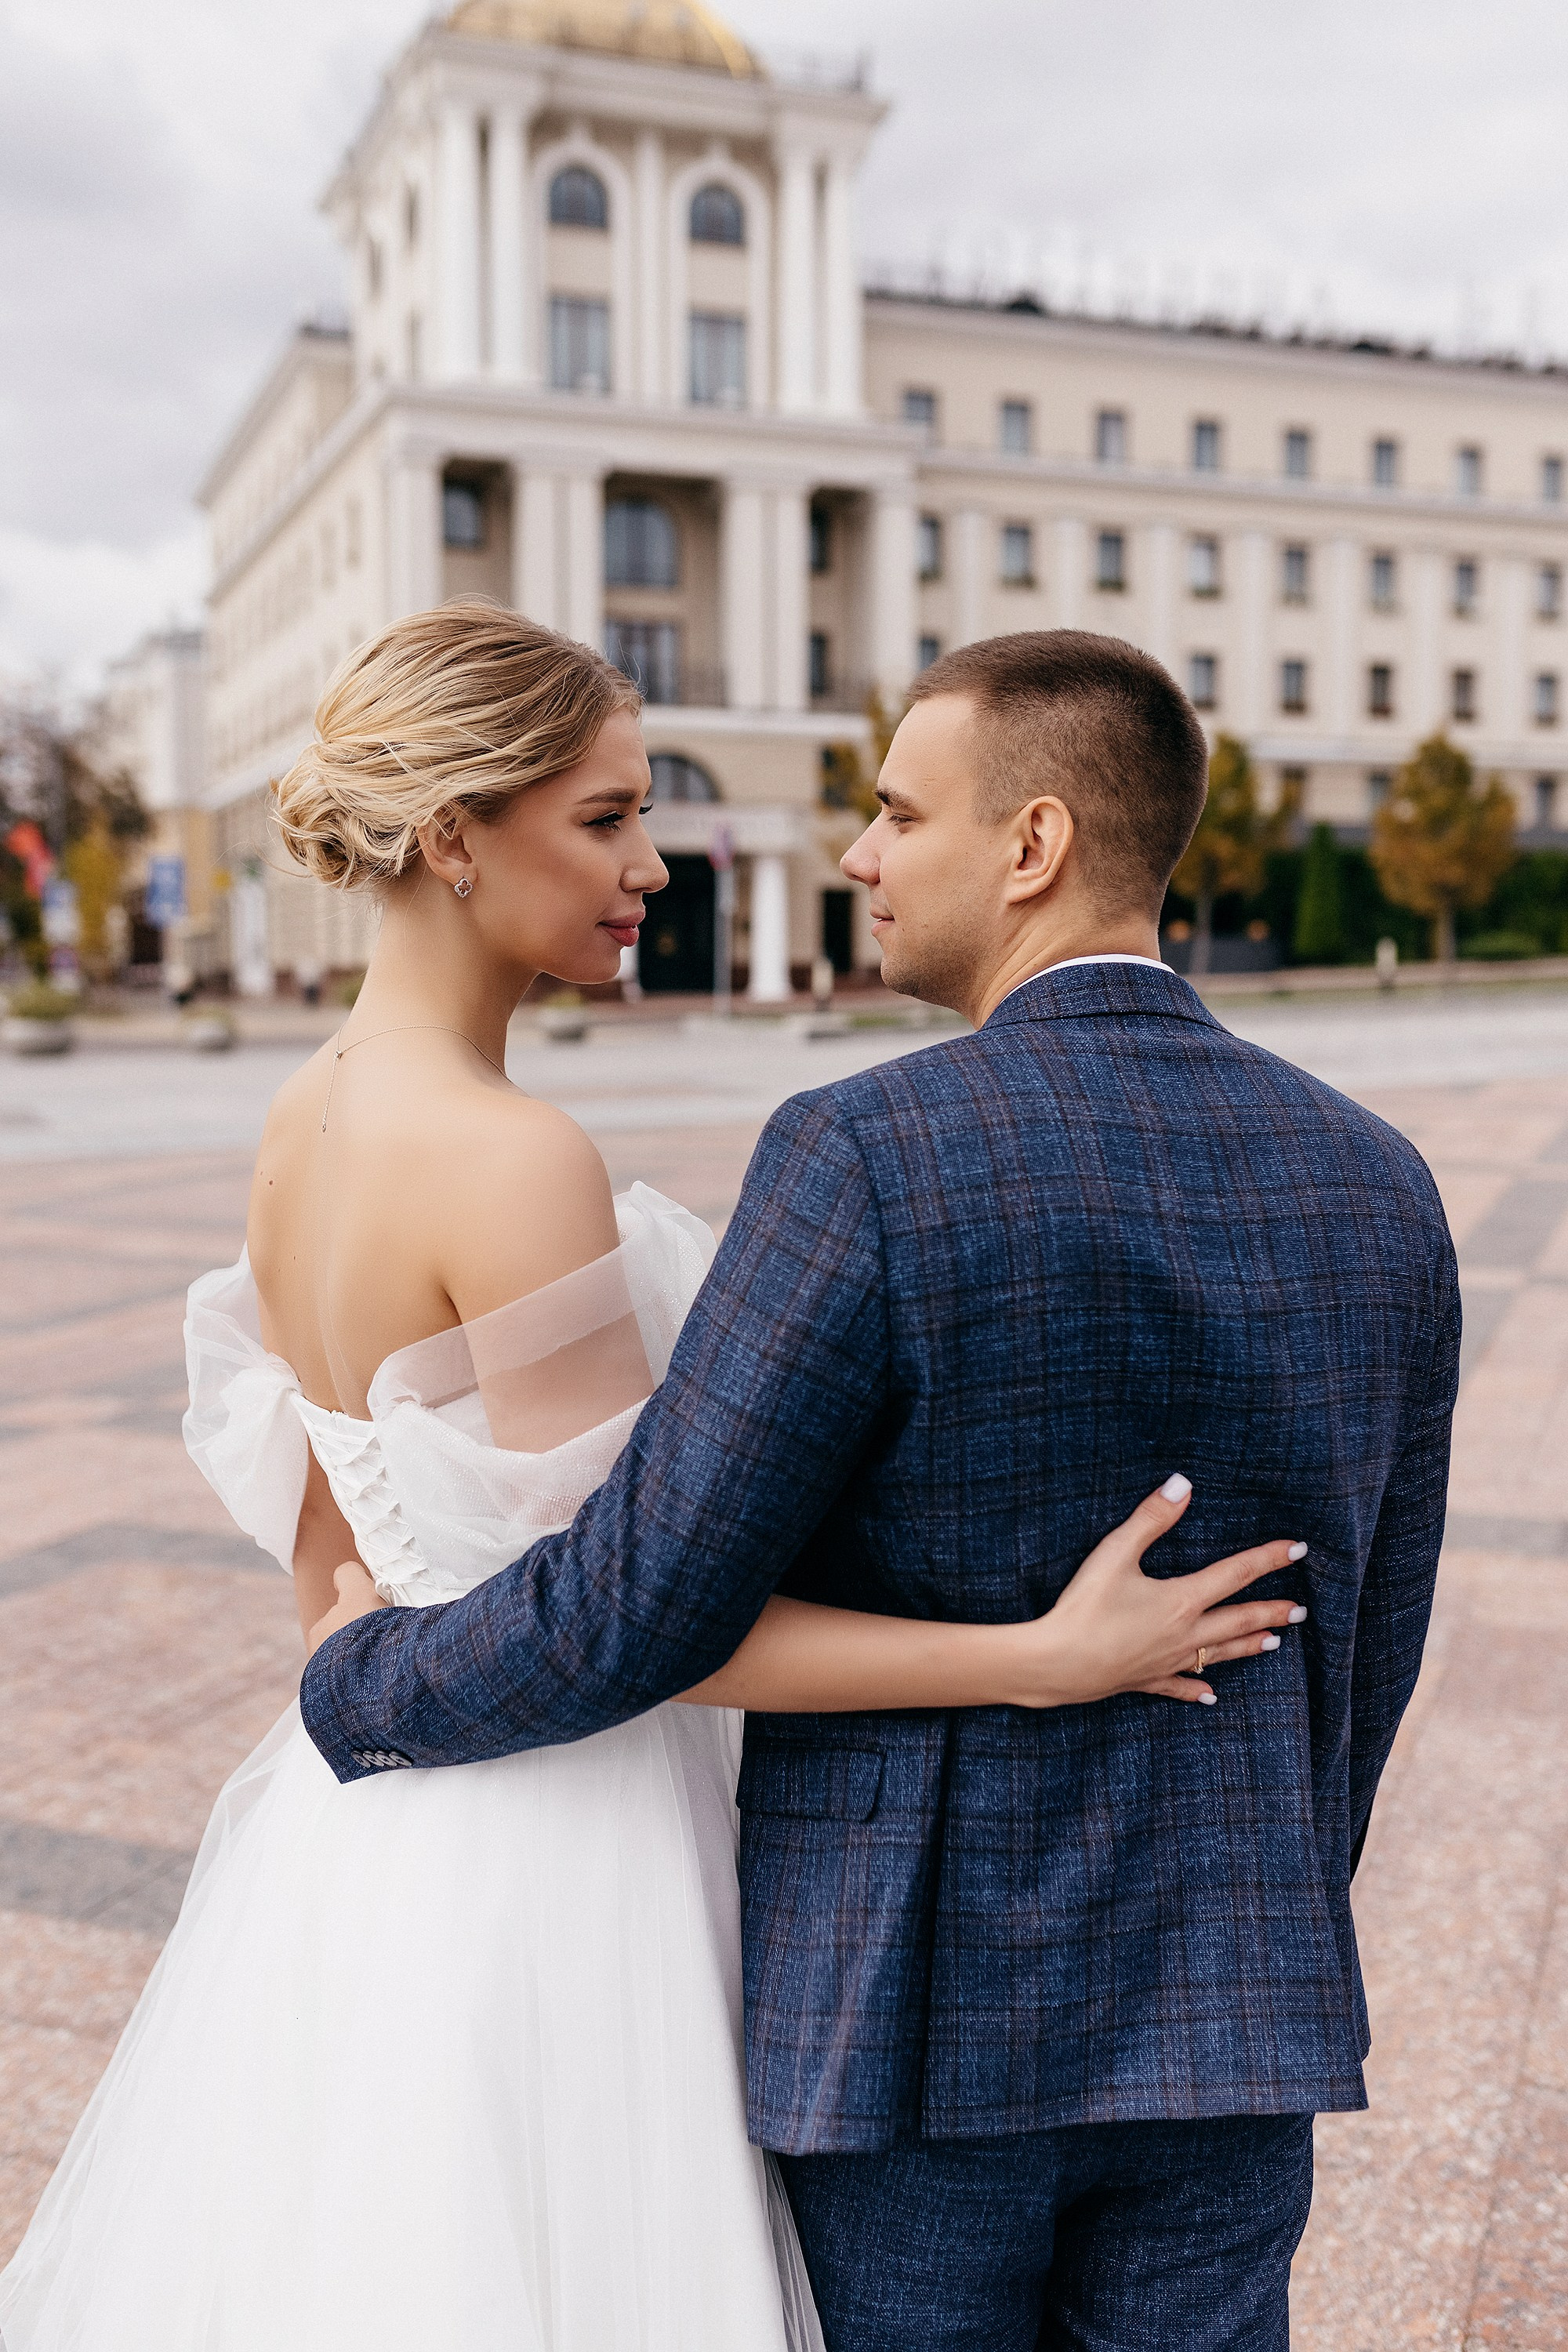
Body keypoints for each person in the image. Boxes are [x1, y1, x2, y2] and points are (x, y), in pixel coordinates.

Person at [0, 608, 1303, 2352]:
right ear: (456, 832)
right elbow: (647, 1618)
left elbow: (333, 1577)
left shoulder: (302, 1120)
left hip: (369, 1839)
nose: (652, 861)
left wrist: (364, 1660)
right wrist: (1035, 1656)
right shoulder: (510, 1157)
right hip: (565, 1835)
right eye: (607, 816)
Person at [303, 626, 1460, 2352]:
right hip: (1234, 2019)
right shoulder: (1380, 1181)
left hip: (914, 2033)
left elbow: (642, 1599)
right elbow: (1369, 1640)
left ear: (1032, 845)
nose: (856, 852)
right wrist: (1256, 1911)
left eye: (898, 812)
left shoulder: (868, 1152)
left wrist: (360, 1679)